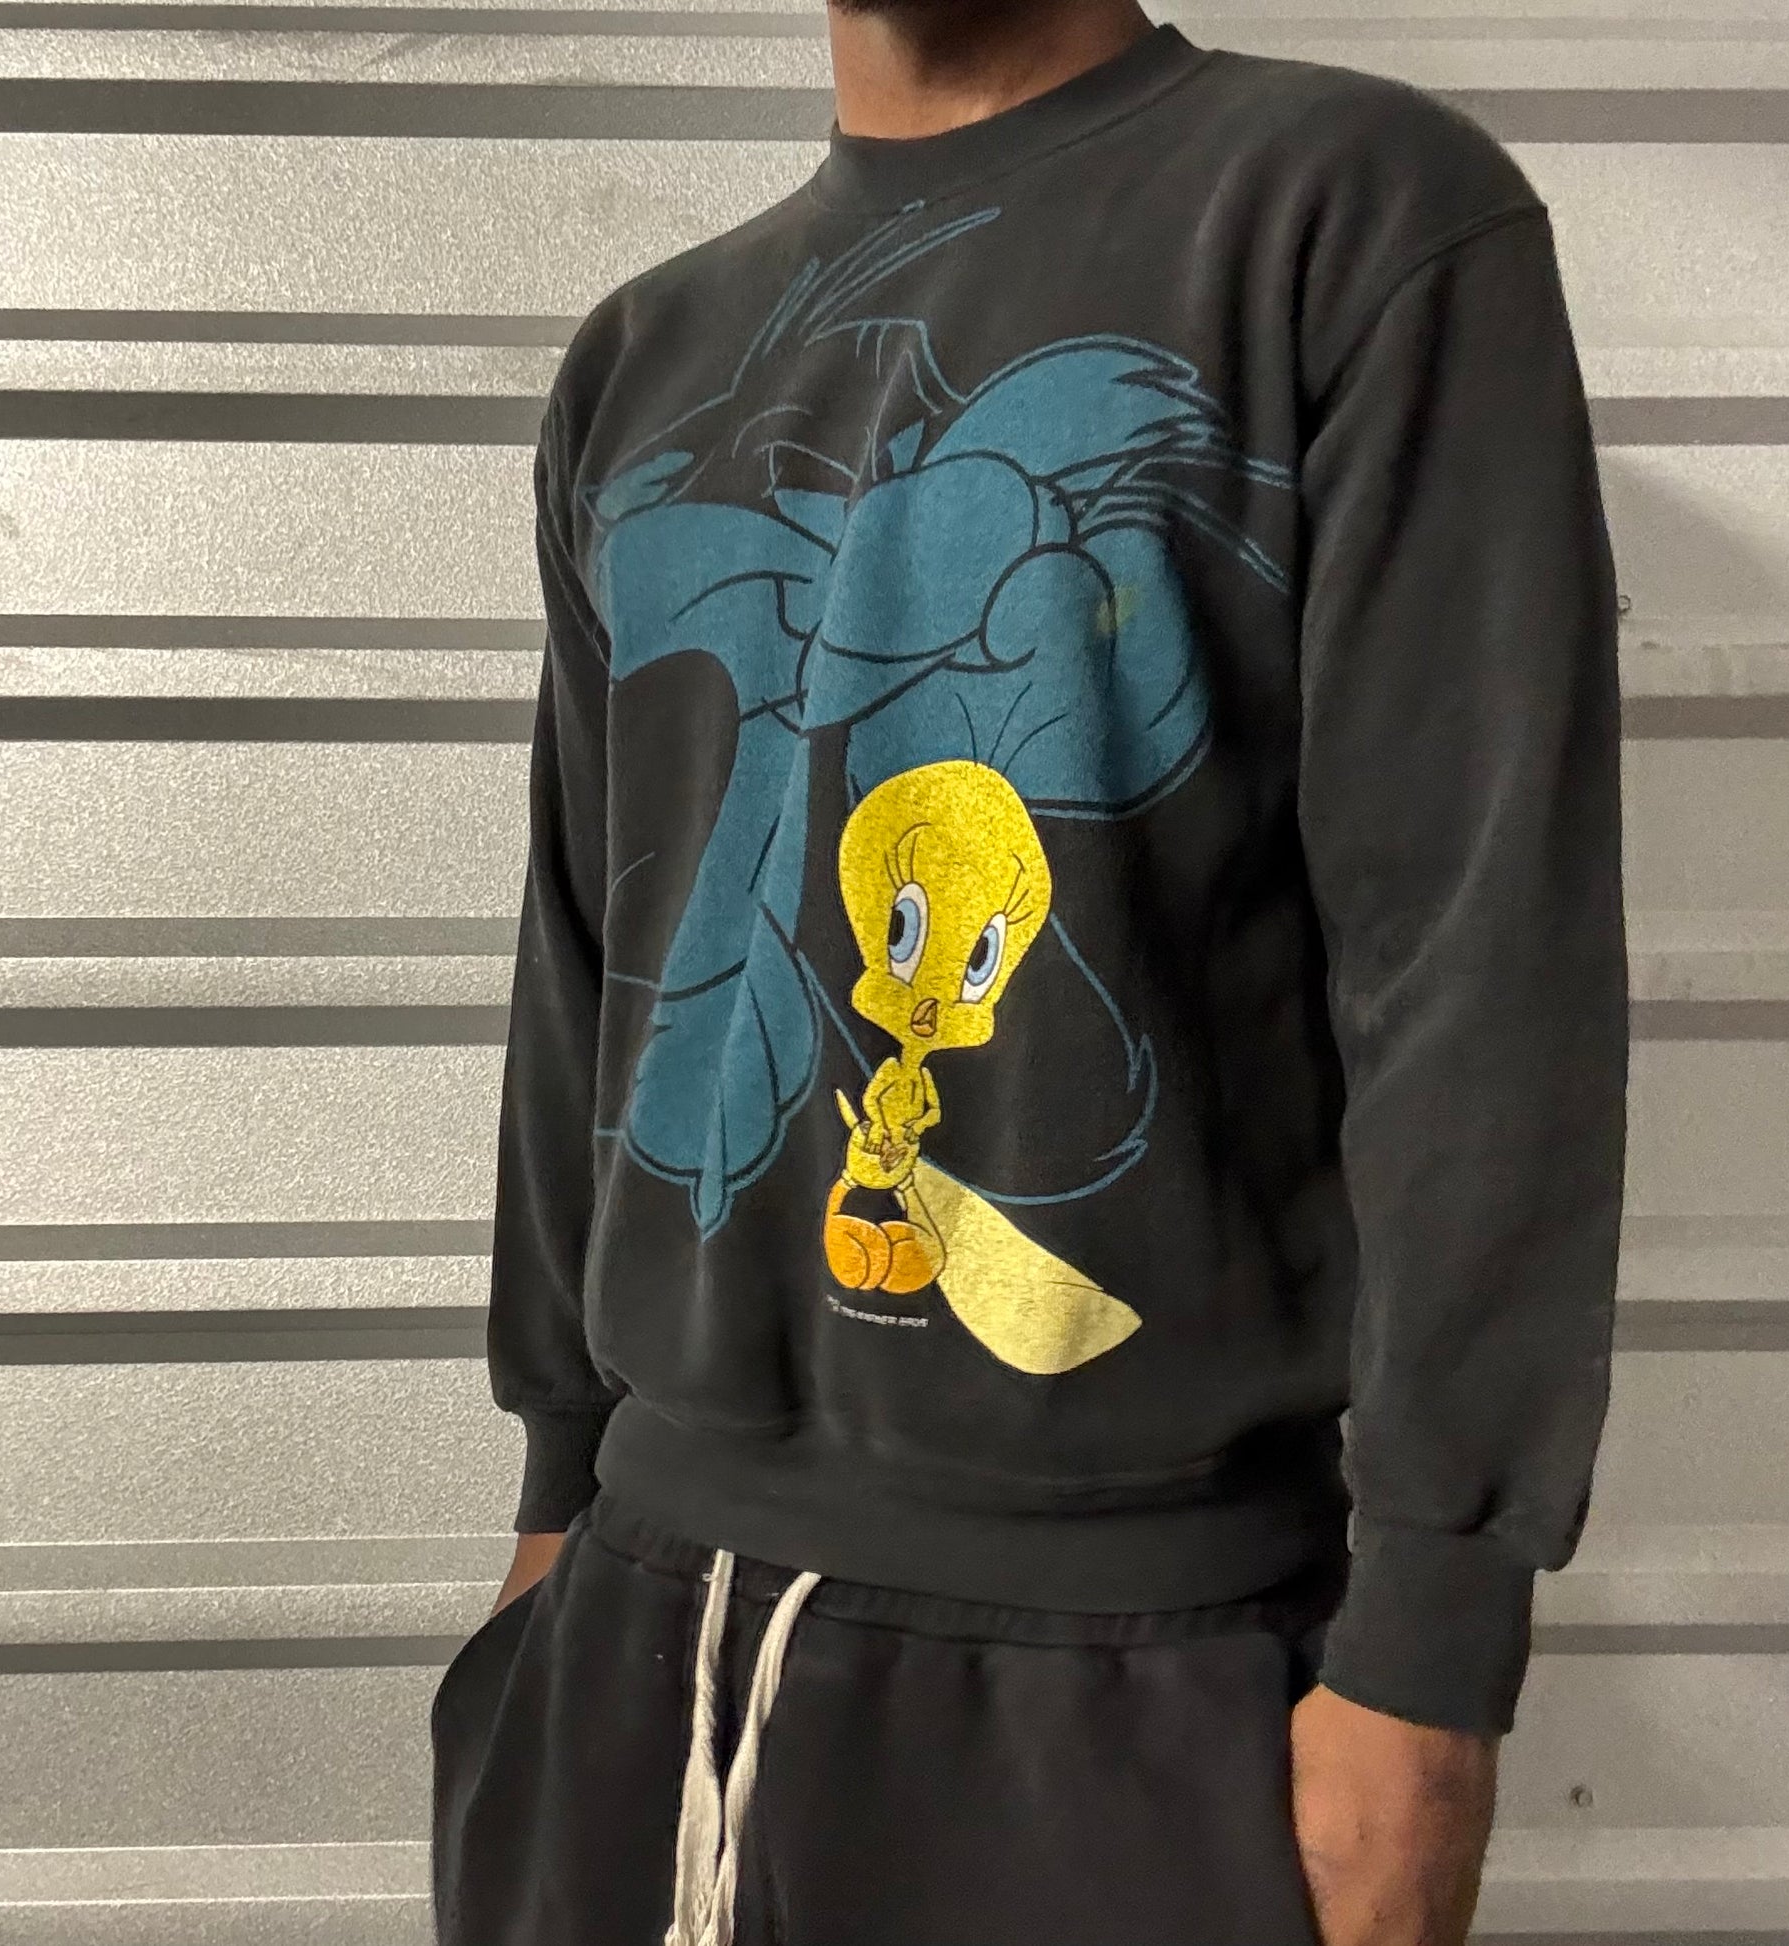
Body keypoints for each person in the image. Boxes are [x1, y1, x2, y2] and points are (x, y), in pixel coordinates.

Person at [429, 1, 1629, 1941]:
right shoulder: (640, 352)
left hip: (1131, 1662)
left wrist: (1432, 1642)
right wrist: (554, 1500)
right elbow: (587, 952)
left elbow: (1478, 961)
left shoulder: (1343, 213)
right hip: (638, 1629)